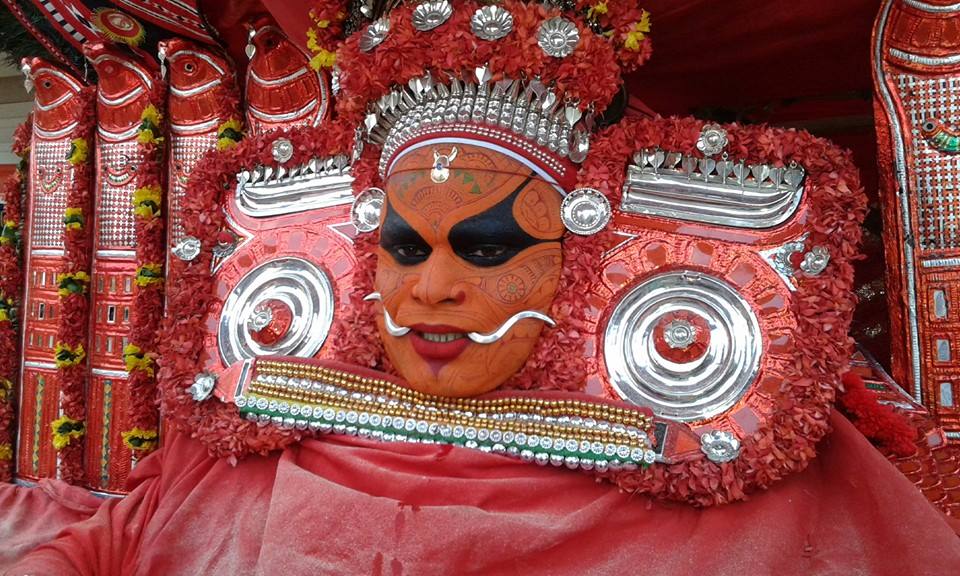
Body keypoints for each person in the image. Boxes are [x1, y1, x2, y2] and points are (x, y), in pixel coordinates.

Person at [7, 1, 960, 573]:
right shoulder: (273, 421)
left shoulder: (715, 473)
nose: (433, 291)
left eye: (490, 249)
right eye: (405, 249)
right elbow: (124, 533)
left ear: (581, 258)